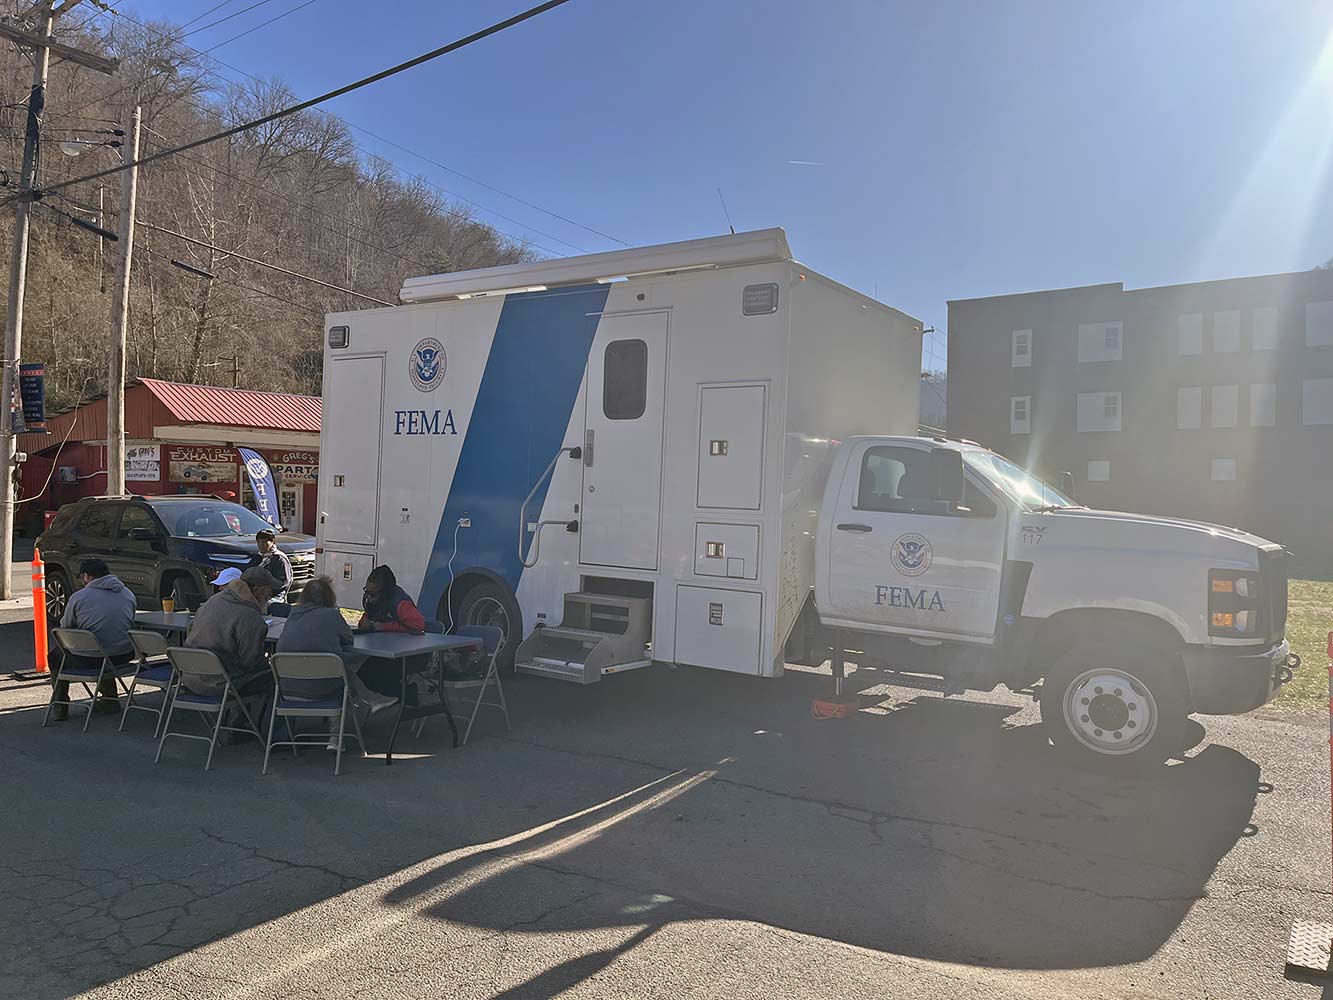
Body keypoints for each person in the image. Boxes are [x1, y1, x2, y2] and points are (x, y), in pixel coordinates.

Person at [275, 576, 395, 714]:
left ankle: (370, 698)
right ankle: (364, 703)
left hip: (287, 690)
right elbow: (348, 639)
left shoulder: (292, 614)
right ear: (329, 596)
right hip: (322, 689)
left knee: (331, 666)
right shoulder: (331, 615)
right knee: (339, 667)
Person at [182, 567, 275, 728]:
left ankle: (238, 720)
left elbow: (191, 629)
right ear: (258, 590)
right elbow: (250, 662)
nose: (271, 594)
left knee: (238, 668)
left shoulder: (213, 601)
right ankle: (270, 733)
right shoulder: (251, 618)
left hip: (191, 676)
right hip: (219, 683)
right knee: (276, 680)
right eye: (269, 589)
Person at [49, 559, 136, 722]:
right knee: (104, 649)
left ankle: (60, 706)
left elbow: (64, 628)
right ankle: (110, 700)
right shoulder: (127, 593)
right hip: (123, 654)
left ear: (87, 576)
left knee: (56, 656)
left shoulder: (80, 597)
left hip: (91, 659)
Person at [357, 565, 425, 634]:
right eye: (367, 592)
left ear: (384, 593)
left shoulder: (401, 604)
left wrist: (384, 627)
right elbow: (366, 618)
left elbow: (418, 626)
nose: (369, 598)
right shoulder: (374, 602)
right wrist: (364, 623)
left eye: (373, 595)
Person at [245, 529, 292, 603]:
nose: (261, 544)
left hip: (274, 596)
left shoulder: (279, 558)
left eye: (264, 542)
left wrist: (268, 581)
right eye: (259, 542)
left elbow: (284, 583)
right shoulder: (257, 557)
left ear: (272, 541)